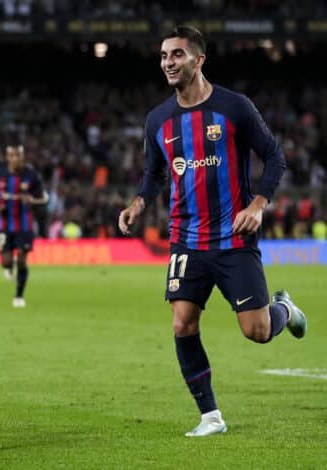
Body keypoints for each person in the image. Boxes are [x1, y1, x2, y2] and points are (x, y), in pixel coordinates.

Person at [118, 25, 307, 437]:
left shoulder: (234, 107)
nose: (168, 62)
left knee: (256, 331)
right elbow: (153, 173)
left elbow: (274, 156)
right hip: (186, 238)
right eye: (164, 56)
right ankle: (210, 416)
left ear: (199, 60)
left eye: (178, 55)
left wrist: (258, 204)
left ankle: (285, 310)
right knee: (182, 323)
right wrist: (138, 202)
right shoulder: (158, 120)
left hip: (234, 237)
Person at [0, 144, 48, 307]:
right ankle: (8, 267)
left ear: (23, 156)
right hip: (4, 223)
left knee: (22, 259)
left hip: (24, 223)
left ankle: (19, 296)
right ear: (8, 157)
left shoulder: (31, 175)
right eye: (12, 155)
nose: (16, 159)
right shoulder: (0, 174)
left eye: (19, 155)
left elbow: (45, 197)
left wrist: (33, 200)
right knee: (6, 261)